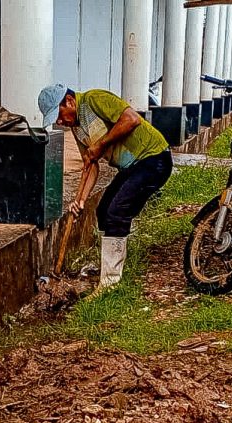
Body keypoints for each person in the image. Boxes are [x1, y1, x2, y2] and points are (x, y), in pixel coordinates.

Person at [37, 84, 172, 289]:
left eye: (59, 115)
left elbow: (131, 120)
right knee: (103, 210)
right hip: (131, 167)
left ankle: (110, 283)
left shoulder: (95, 99)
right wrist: (80, 200)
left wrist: (100, 145)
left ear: (69, 101)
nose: (59, 121)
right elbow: (90, 165)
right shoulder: (76, 127)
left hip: (153, 159)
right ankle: (106, 265)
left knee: (117, 212)